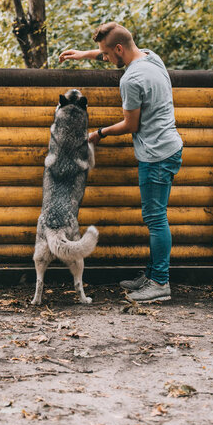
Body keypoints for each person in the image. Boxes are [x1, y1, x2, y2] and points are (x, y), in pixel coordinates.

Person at [59, 22, 183, 303]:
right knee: (156, 217)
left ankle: (160, 283)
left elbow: (131, 124)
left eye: (105, 54)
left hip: (156, 155)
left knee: (156, 218)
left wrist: (98, 134)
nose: (104, 58)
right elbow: (112, 47)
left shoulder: (130, 79)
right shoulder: (150, 57)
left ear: (118, 49)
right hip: (169, 146)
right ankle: (152, 274)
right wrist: (83, 54)